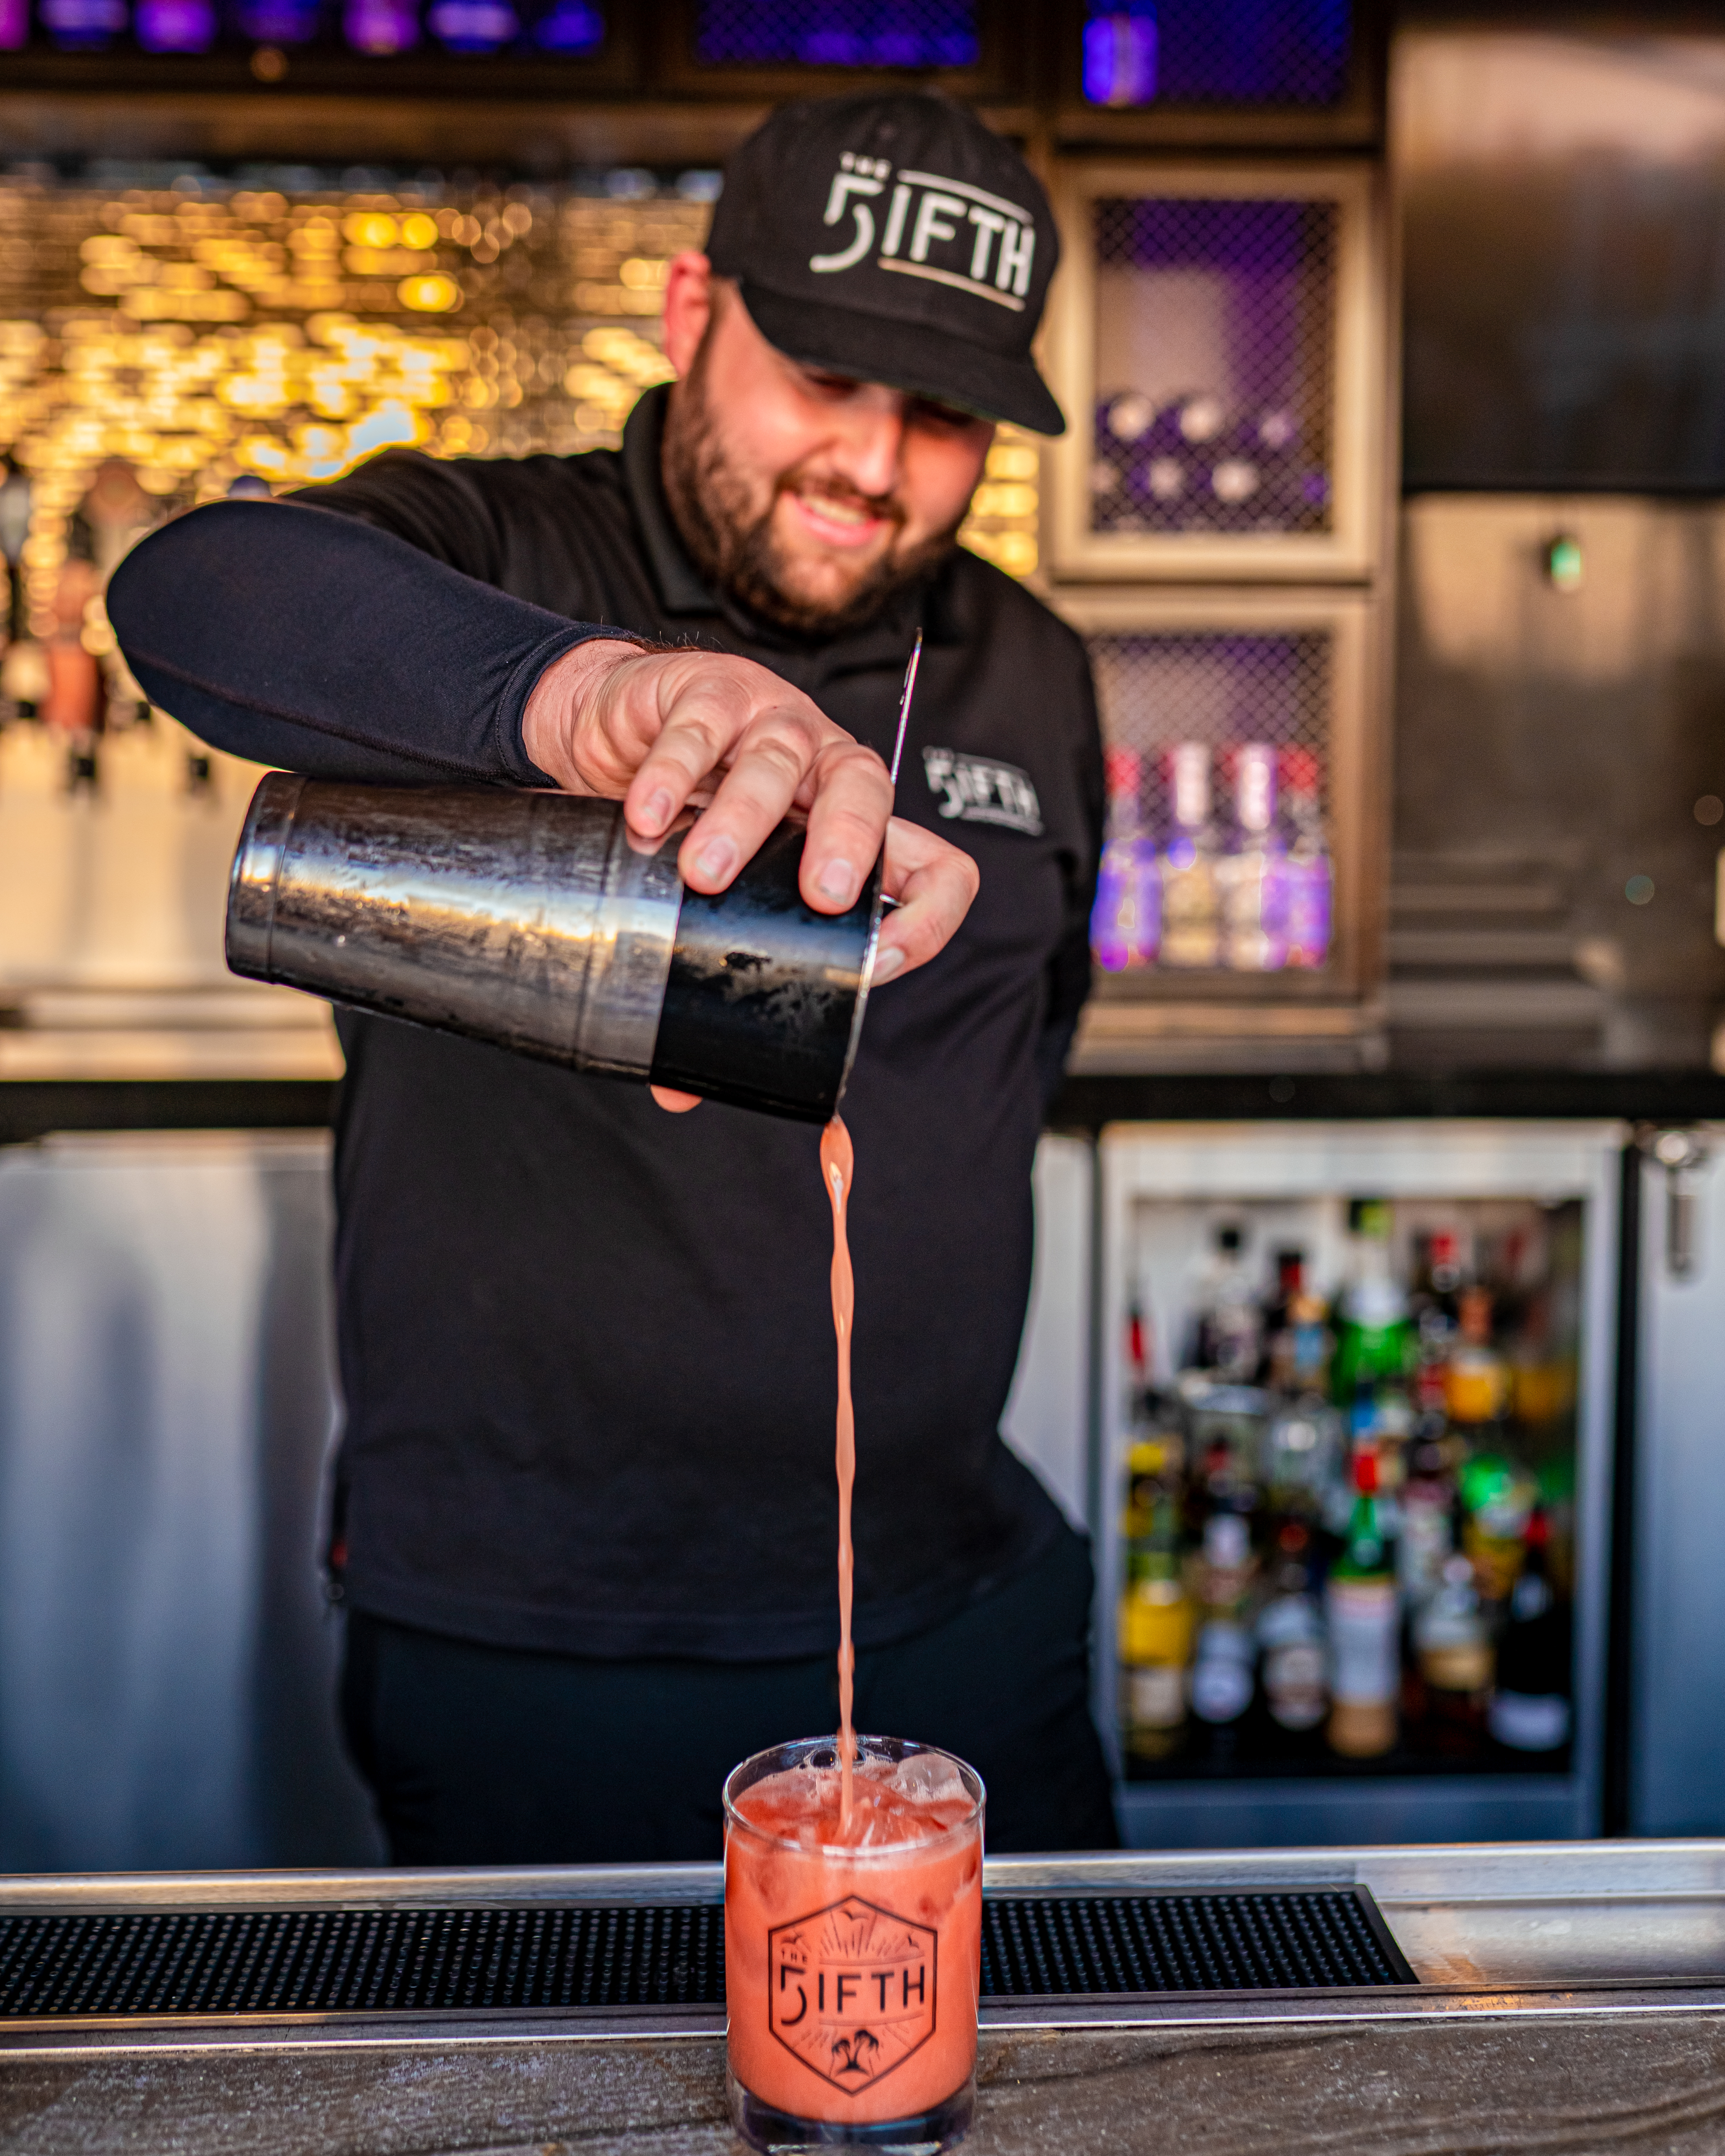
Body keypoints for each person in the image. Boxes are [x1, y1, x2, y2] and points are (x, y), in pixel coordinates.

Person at [109, 92, 1115, 1862]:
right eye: (824, 375)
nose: (877, 467)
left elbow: (1022, 1051)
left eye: (945, 413)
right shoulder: (505, 553)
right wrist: (573, 701)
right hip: (533, 1640)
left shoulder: (1026, 666)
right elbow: (195, 589)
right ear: (688, 315)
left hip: (954, 1610)